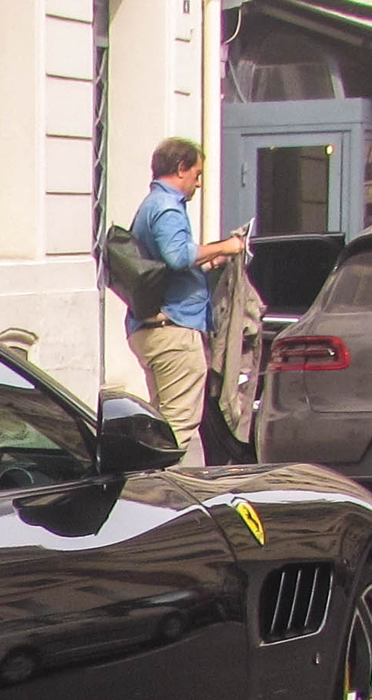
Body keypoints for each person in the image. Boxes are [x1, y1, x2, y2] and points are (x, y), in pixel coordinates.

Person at [127, 138, 247, 465]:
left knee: (165, 420)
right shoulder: (166, 205)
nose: (199, 181)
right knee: (179, 428)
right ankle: (171, 500)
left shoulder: (152, 204)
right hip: (175, 331)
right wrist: (228, 247)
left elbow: (168, 265)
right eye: (196, 173)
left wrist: (208, 263)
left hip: (154, 328)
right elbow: (178, 256)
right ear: (181, 169)